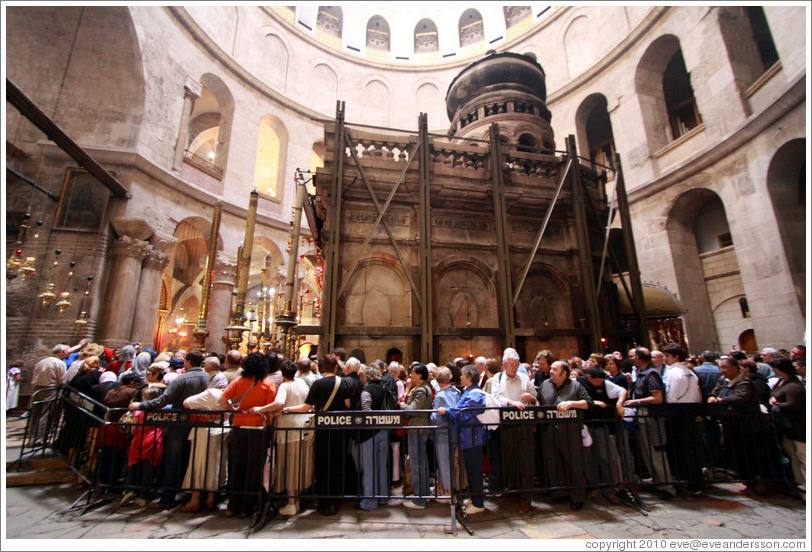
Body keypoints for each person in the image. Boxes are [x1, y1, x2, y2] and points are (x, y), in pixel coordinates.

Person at [129, 350, 209, 509]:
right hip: (200, 423)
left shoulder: (183, 378)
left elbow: (164, 399)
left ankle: (168, 497)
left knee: (173, 461)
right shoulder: (208, 377)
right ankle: (190, 495)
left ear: (188, 362)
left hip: (179, 424)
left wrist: (141, 405)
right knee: (192, 460)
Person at [283, 353, 351, 516]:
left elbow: (306, 408)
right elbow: (348, 405)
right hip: (339, 428)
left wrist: (288, 409)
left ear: (321, 367)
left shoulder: (318, 384)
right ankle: (335, 501)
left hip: (322, 428)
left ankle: (324, 504)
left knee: (322, 465)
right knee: (337, 464)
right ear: (336, 367)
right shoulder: (344, 383)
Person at [217, 352, 276, 518]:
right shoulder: (268, 383)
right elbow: (270, 409)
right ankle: (246, 508)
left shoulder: (239, 381)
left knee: (237, 465)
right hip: (258, 428)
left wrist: (234, 411)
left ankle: (232, 505)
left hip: (239, 427)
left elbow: (222, 400)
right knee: (254, 468)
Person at [250, 361, 314, 516]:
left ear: (283, 374)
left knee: (290, 465)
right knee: (299, 464)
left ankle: (291, 503)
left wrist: (260, 409)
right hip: (304, 428)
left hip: (289, 429)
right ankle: (296, 500)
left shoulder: (285, 386)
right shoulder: (302, 383)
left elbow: (279, 402)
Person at [538, 360, 593, 509]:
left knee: (573, 463)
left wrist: (571, 403)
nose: (551, 371)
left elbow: (588, 403)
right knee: (553, 461)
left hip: (569, 430)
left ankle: (577, 497)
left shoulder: (575, 386)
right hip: (549, 430)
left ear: (564, 373)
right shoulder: (545, 385)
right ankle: (559, 492)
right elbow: (540, 402)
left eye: (555, 369)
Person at [624, 347, 676, 500]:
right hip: (642, 419)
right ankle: (657, 481)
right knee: (647, 452)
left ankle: (667, 486)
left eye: (633, 356)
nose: (631, 359)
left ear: (639, 358)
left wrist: (636, 401)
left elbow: (657, 398)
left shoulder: (651, 374)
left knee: (656, 452)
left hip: (652, 420)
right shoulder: (641, 374)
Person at [436, 364, 490, 515]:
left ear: (469, 377)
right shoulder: (468, 391)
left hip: (473, 437)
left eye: (462, 375)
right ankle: (474, 498)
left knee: (475, 471)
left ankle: (479, 503)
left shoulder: (476, 394)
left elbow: (464, 413)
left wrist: (447, 411)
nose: (459, 377)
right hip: (468, 437)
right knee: (471, 469)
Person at [491, 347, 537, 514]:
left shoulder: (524, 378)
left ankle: (526, 499)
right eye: (510, 364)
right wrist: (511, 403)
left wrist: (530, 398)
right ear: (504, 365)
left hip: (523, 425)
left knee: (525, 462)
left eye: (516, 365)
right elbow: (496, 397)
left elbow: (534, 396)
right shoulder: (498, 378)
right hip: (507, 424)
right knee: (509, 460)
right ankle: (514, 490)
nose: (514, 368)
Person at [577, 366, 627, 503]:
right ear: (589, 377)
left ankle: (609, 489)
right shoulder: (579, 383)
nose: (600, 384)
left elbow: (622, 391)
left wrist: (619, 403)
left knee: (606, 458)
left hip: (600, 426)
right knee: (588, 459)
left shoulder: (605, 383)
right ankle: (594, 486)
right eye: (597, 382)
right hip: (585, 426)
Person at [178, 383, 230, 512]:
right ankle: (210, 498)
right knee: (215, 464)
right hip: (220, 432)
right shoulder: (226, 396)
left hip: (205, 433)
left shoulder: (211, 393)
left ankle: (195, 500)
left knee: (199, 464)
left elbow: (187, 402)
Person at [661, 343, 704, 495]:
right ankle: (694, 480)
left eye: (667, 356)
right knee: (691, 447)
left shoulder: (674, 372)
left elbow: (671, 394)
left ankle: (689, 481)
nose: (664, 359)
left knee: (683, 448)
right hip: (690, 411)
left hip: (678, 412)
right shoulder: (689, 372)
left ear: (676, 356)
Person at [121, 386, 165, 508]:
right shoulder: (161, 411)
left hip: (139, 438)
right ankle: (144, 496)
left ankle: (130, 489)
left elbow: (133, 429)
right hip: (154, 438)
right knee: (148, 468)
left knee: (133, 465)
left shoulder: (139, 412)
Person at [355, 363, 390, 511]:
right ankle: (382, 496)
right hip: (384, 430)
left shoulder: (366, 391)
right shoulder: (383, 388)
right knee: (381, 465)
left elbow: (366, 413)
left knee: (369, 466)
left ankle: (370, 501)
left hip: (370, 433)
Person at [769, 356, 805, 494]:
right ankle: (799, 481)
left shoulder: (794, 386)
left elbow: (793, 404)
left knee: (803, 456)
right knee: (793, 455)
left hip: (797, 426)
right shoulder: (783, 382)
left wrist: (776, 403)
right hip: (787, 426)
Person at [400, 362, 433, 510]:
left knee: (417, 462)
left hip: (418, 428)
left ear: (419, 375)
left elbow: (412, 409)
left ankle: (420, 498)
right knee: (421, 462)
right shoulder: (421, 388)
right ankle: (423, 493)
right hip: (418, 428)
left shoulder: (421, 390)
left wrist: (401, 404)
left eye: (412, 373)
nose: (410, 376)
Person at [429, 365, 460, 500]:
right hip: (454, 431)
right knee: (448, 461)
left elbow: (436, 418)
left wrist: (430, 415)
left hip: (442, 433)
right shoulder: (456, 392)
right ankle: (442, 486)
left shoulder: (440, 396)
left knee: (443, 461)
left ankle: (448, 492)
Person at [29, 344, 71, 442]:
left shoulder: (42, 361)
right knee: (45, 414)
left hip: (37, 389)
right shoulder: (59, 363)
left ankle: (32, 437)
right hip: (50, 389)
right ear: (62, 351)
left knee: (35, 413)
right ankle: (39, 438)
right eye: (67, 351)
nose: (68, 353)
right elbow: (62, 379)